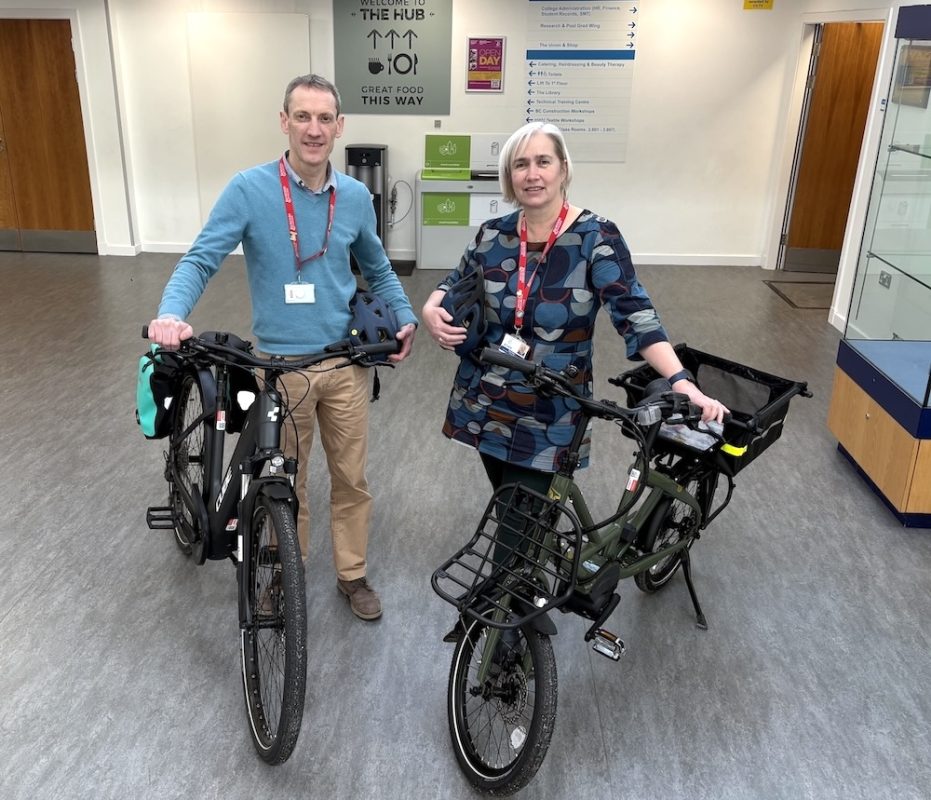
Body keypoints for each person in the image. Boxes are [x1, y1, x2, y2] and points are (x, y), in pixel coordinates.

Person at [148, 74, 418, 621]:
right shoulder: (249, 190)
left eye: (324, 119)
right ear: (284, 122)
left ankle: (352, 574)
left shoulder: (357, 198)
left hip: (344, 362)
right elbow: (201, 258)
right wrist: (172, 313)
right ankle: (282, 572)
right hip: (279, 367)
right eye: (302, 117)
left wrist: (405, 318)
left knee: (351, 478)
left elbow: (380, 269)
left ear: (339, 127)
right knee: (283, 481)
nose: (313, 130)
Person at [421, 121, 726, 503]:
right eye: (520, 164)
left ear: (563, 169)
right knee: (509, 509)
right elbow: (455, 281)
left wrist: (681, 381)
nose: (532, 174)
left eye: (543, 162)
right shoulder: (491, 235)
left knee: (518, 531)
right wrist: (431, 306)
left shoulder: (596, 237)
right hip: (485, 399)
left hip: (551, 408)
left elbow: (636, 316)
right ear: (508, 176)